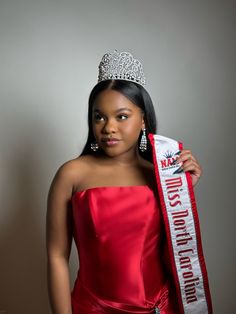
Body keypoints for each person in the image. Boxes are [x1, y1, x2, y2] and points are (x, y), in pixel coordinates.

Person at [46, 51, 202, 314]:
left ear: (142, 119)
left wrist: (184, 190)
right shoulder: (71, 175)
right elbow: (57, 257)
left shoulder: (162, 177)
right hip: (92, 309)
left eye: (121, 116)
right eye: (99, 116)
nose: (108, 128)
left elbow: (177, 257)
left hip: (159, 308)